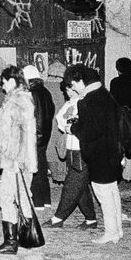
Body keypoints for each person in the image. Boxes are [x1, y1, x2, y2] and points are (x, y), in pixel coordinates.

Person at [65, 64, 124, 244]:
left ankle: (110, 232)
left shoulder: (87, 101)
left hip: (99, 155)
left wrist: (73, 127)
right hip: (113, 151)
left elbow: (91, 132)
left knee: (103, 195)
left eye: (73, 84)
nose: (73, 88)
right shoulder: (106, 95)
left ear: (81, 81)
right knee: (113, 192)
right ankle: (118, 230)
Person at [0, 66, 36, 255]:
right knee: (23, 198)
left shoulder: (17, 101)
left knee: (6, 198)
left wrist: (15, 157)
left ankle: (11, 242)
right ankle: (27, 238)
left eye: (4, 81)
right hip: (18, 159)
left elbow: (21, 134)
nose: (2, 85)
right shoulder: (21, 99)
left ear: (13, 80)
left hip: (14, 161)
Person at [44, 81, 97, 229]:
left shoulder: (85, 102)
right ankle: (91, 219)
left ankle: (58, 218)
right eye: (66, 89)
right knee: (80, 187)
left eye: (70, 89)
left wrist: (70, 124)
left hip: (82, 149)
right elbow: (60, 120)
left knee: (71, 184)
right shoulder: (70, 103)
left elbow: (72, 123)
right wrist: (69, 123)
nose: (68, 92)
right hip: (71, 148)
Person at [23, 65, 55, 209]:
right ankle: (46, 199)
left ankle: (37, 202)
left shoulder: (30, 94)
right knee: (42, 167)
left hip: (34, 135)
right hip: (44, 135)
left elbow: (32, 117)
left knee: (34, 169)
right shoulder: (46, 92)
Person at [109, 57, 131, 181]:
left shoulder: (115, 82)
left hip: (118, 118)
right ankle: (128, 175)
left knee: (117, 146)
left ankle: (117, 174)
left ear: (118, 69)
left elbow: (112, 101)